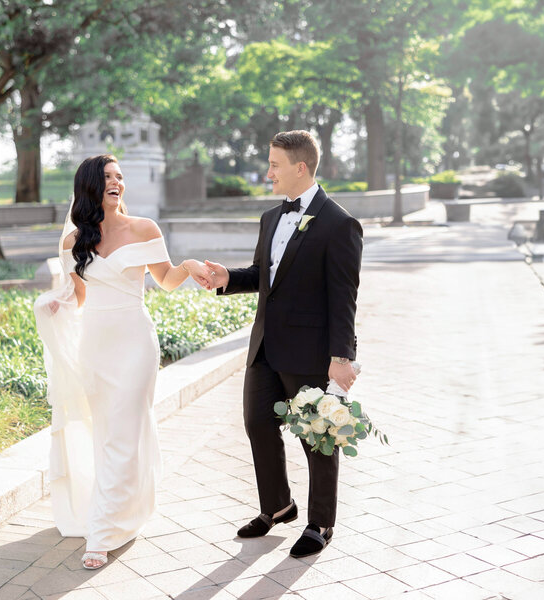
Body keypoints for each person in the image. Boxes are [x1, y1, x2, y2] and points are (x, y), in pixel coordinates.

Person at [33, 154, 211, 570]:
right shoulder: (72, 241)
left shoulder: (143, 229)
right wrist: (55, 306)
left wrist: (185, 266)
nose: (118, 183)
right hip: (95, 345)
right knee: (107, 433)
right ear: (92, 185)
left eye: (120, 177)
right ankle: (123, 508)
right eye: (109, 177)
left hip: (134, 343)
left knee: (124, 432)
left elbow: (164, 280)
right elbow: (78, 296)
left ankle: (103, 533)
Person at [202, 130, 363, 558]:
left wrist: (342, 357)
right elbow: (263, 275)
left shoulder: (339, 224)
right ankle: (277, 507)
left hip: (312, 354)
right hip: (265, 348)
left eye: (274, 164)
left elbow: (344, 296)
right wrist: (227, 279)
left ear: (300, 167)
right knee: (257, 424)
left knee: (317, 437)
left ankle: (321, 523)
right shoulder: (270, 218)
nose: (267, 172)